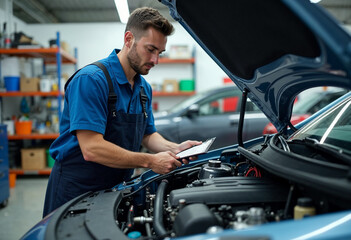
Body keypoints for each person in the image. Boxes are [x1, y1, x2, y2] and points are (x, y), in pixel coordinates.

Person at [43, 7, 201, 217]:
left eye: (159, 53)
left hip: (116, 189)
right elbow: (91, 148)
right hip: (76, 191)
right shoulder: (91, 80)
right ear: (129, 39)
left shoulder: (143, 88)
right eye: (150, 49)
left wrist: (176, 149)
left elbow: (147, 134)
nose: (155, 60)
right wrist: (150, 161)